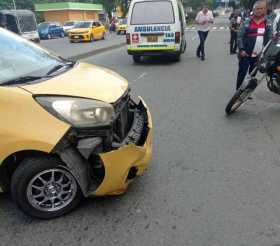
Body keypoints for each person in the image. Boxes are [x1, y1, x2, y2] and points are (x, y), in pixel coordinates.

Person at [235, 0, 273, 90]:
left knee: (252, 74)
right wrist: (241, 49)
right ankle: (238, 91)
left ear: (265, 10)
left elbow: (270, 38)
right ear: (253, 9)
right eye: (257, 8)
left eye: (261, 8)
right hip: (246, 53)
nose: (259, 10)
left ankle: (247, 92)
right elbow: (240, 36)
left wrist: (266, 53)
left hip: (258, 55)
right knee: (242, 73)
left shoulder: (268, 23)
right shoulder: (247, 21)